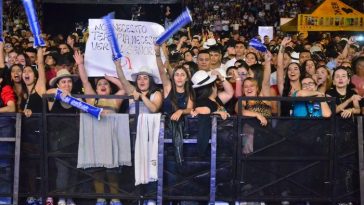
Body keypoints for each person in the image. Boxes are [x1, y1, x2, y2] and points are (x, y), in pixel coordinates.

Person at [73, 50, 125, 205]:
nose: (103, 85)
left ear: (110, 88)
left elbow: (124, 87)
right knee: (98, 172)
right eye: (100, 84)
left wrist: (109, 77)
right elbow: (85, 82)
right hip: (95, 140)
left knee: (112, 172)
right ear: (96, 89)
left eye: (106, 84)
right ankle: (101, 198)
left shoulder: (116, 100)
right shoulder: (92, 99)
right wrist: (80, 64)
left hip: (111, 140)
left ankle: (114, 199)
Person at [156, 44, 194, 165]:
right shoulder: (168, 87)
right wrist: (158, 54)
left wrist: (180, 111)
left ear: (187, 78)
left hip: (183, 129)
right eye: (177, 74)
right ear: (173, 77)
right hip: (165, 127)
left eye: (182, 75)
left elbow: (190, 109)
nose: (179, 77)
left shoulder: (190, 92)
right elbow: (162, 71)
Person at [46, 69, 79, 205]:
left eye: (69, 81)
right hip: (58, 140)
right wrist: (59, 93)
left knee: (73, 170)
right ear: (58, 85)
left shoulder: (77, 100)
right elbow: (46, 92)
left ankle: (69, 196)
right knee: (62, 170)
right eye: (63, 82)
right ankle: (61, 198)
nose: (67, 84)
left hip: (75, 139)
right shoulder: (53, 97)